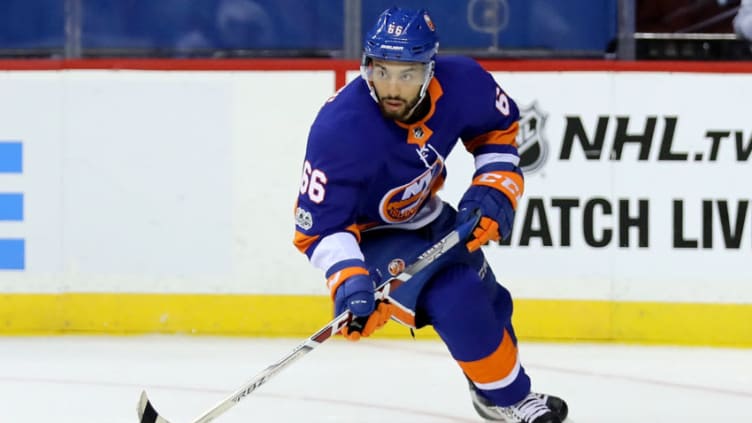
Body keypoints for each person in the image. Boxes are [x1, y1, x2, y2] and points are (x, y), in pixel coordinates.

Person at [293, 6, 568, 423]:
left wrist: (494, 187)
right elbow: (320, 227)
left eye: (406, 74)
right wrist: (348, 279)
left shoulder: (463, 83)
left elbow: (498, 130)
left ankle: (489, 392)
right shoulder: (340, 130)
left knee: (491, 304)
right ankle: (510, 399)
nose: (392, 87)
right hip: (369, 236)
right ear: (367, 65)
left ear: (430, 68)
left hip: (427, 214)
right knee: (456, 294)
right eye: (381, 71)